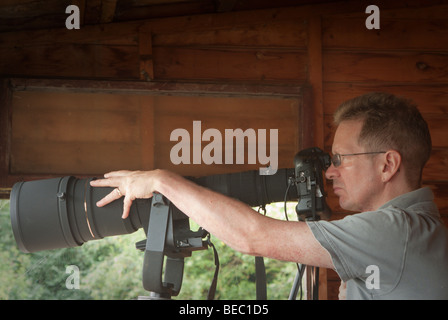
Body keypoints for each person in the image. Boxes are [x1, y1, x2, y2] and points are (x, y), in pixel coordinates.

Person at [90, 92, 448, 299]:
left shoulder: (396, 232)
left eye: (340, 159)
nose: (330, 171)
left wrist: (161, 181)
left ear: (388, 166)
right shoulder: (413, 232)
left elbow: (253, 236)